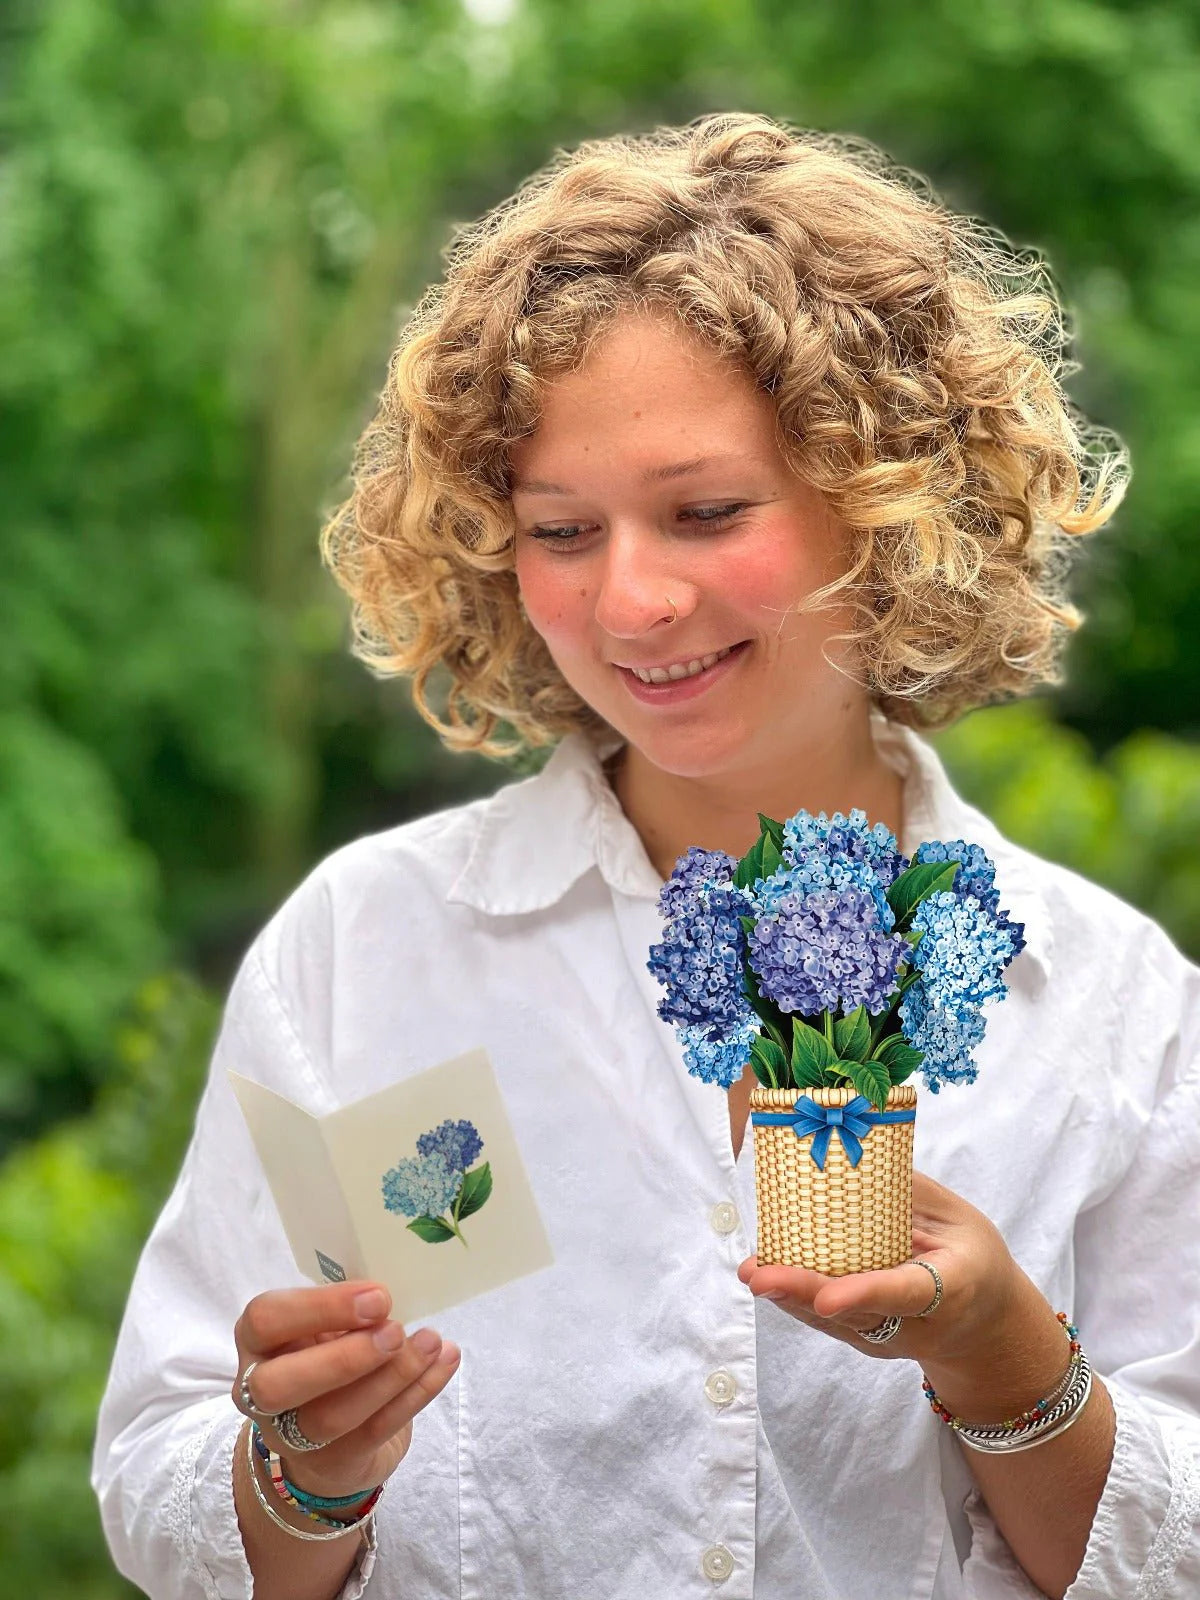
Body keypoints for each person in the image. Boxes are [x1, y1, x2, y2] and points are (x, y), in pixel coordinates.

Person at [92, 111, 1200, 1600]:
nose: (632, 601)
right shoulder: (369, 948)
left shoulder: (1109, 1005)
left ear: (886, 500)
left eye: (706, 512)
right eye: (560, 529)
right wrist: (301, 1469)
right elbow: (162, 1492)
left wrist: (1007, 1362)